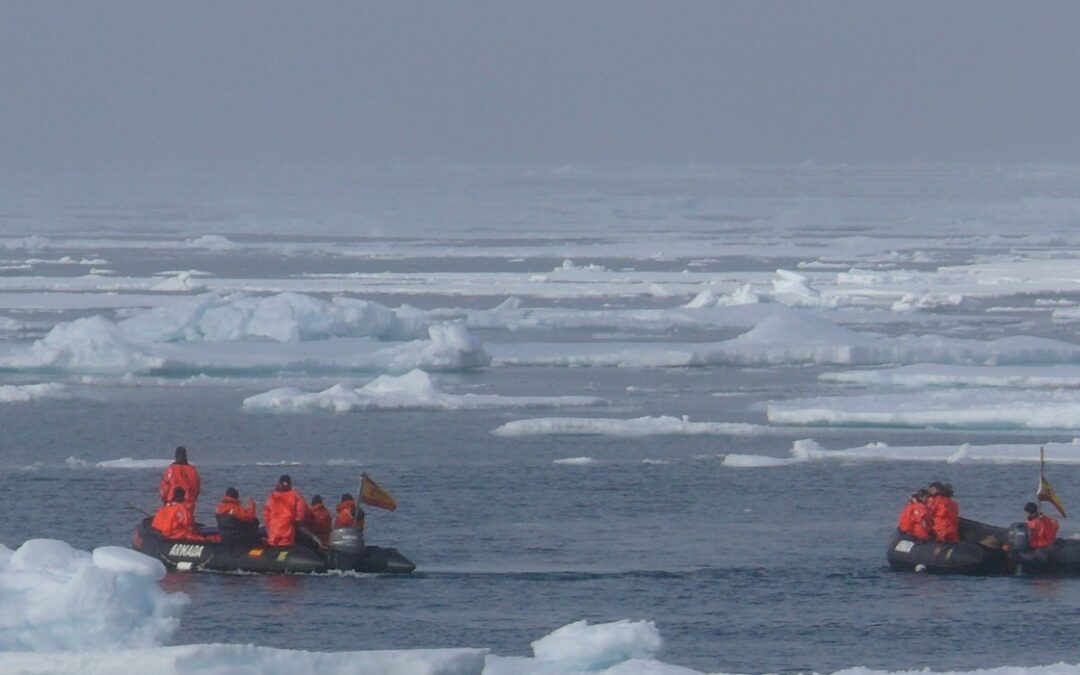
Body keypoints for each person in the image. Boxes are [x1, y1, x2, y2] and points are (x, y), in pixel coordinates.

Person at [263, 474, 311, 547]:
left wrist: (270, 528)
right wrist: (297, 521)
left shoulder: (272, 497)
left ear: (279, 483)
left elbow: (266, 516)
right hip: (287, 533)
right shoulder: (295, 495)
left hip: (273, 533)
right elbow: (301, 511)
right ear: (290, 483)